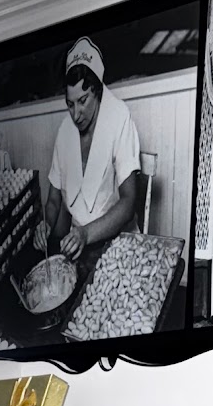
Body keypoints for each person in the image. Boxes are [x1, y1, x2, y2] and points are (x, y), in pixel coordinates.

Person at [45, 37, 144, 266]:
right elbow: (53, 200)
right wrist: (45, 223)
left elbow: (128, 203)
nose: (76, 114)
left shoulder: (119, 117)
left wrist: (86, 233)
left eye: (83, 101)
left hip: (117, 243)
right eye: (70, 104)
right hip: (79, 247)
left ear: (97, 90)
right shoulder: (65, 131)